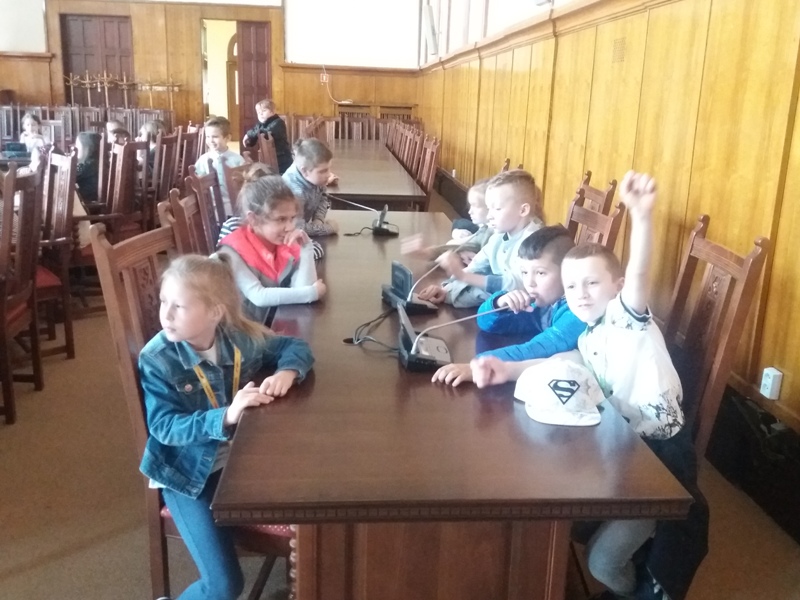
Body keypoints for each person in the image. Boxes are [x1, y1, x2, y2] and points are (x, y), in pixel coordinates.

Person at [557, 171, 706, 600]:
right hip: (625, 452)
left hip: (660, 463)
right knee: (568, 515)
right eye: (571, 286)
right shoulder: (588, 336)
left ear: (617, 288)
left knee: (601, 563)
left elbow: (639, 271)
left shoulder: (626, 317)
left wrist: (642, 215)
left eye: (592, 283)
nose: (581, 294)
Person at [139, 254, 314, 600]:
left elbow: (293, 346)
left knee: (315, 491)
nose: (166, 315)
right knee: (224, 586)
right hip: (186, 474)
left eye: (179, 306)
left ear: (215, 313)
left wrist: (287, 371)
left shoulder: (237, 339)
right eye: (163, 302)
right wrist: (226, 416)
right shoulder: (157, 358)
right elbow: (164, 428)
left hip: (238, 460)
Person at [436, 225, 584, 387]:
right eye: (525, 272)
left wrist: (481, 365)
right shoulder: (546, 301)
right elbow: (485, 323)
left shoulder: (578, 311)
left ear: (568, 274)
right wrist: (499, 303)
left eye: (540, 273)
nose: (529, 283)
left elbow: (542, 347)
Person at [417, 169, 545, 307]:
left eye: (497, 209)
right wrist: (446, 289)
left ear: (523, 210)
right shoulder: (498, 236)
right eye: (489, 209)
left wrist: (463, 277)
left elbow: (517, 284)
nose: (489, 216)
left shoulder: (535, 243)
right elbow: (476, 266)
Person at [217, 175, 326, 323]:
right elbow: (258, 296)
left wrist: (306, 249)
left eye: (292, 218)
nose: (290, 227)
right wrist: (312, 293)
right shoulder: (231, 252)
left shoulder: (281, 244)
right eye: (281, 219)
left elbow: (303, 288)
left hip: (269, 326)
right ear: (253, 219)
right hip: (238, 331)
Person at [282, 138, 339, 239]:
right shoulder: (296, 193)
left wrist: (318, 220)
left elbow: (322, 197)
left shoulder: (314, 177)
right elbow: (297, 228)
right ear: (304, 171)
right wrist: (328, 228)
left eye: (328, 169)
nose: (328, 175)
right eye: (323, 171)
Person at [194, 116, 246, 217]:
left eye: (215, 137)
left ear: (228, 138)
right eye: (208, 137)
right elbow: (196, 182)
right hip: (211, 208)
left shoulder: (237, 160)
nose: (211, 140)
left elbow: (244, 185)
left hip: (234, 206)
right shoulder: (203, 159)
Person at [242, 99, 293, 174]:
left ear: (272, 111)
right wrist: (249, 140)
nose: (261, 114)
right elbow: (254, 135)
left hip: (281, 158)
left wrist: (248, 134)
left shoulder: (278, 122)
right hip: (268, 157)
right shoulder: (261, 124)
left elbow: (264, 132)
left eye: (264, 111)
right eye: (258, 112)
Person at [74, 131, 100, 205]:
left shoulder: (89, 165)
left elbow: (71, 177)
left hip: (88, 203)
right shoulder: (96, 162)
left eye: (77, 146)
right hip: (88, 200)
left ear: (87, 148)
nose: (75, 149)